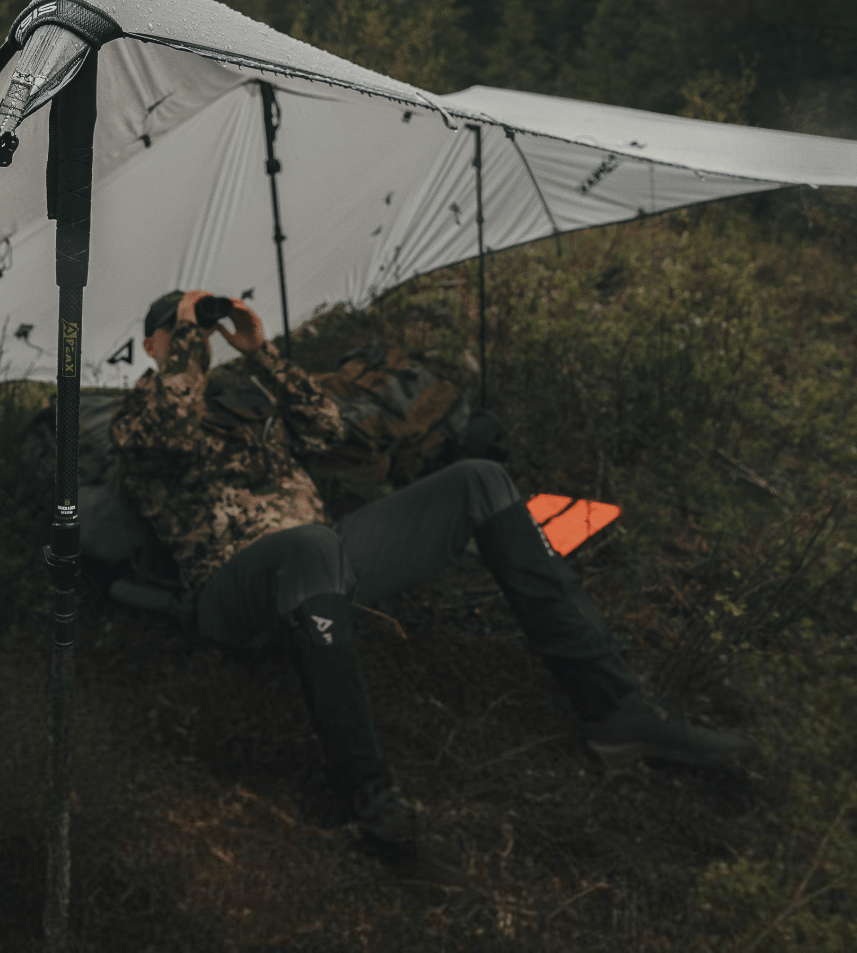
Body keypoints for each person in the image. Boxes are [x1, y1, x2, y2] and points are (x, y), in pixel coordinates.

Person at [108, 289, 753, 886]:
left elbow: (330, 432)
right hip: (235, 590)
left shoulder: (244, 402)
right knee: (311, 544)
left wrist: (261, 353)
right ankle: (373, 802)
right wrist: (186, 340)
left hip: (326, 568)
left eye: (196, 331)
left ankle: (615, 709)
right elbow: (171, 426)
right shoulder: (136, 419)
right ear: (153, 348)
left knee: (478, 477)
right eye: (176, 333)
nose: (194, 339)